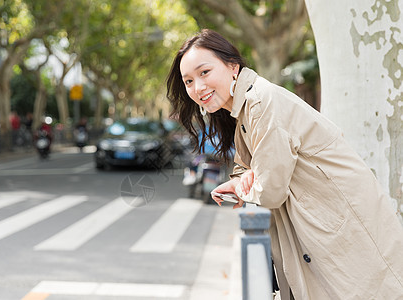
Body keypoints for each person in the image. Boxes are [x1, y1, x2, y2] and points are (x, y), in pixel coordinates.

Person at [166, 29, 403, 299]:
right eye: (188, 81)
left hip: (347, 241)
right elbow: (250, 167)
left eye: (204, 72)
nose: (197, 87)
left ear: (233, 66)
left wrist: (243, 188)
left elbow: (270, 190)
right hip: (325, 238)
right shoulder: (245, 110)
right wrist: (243, 178)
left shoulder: (261, 103)